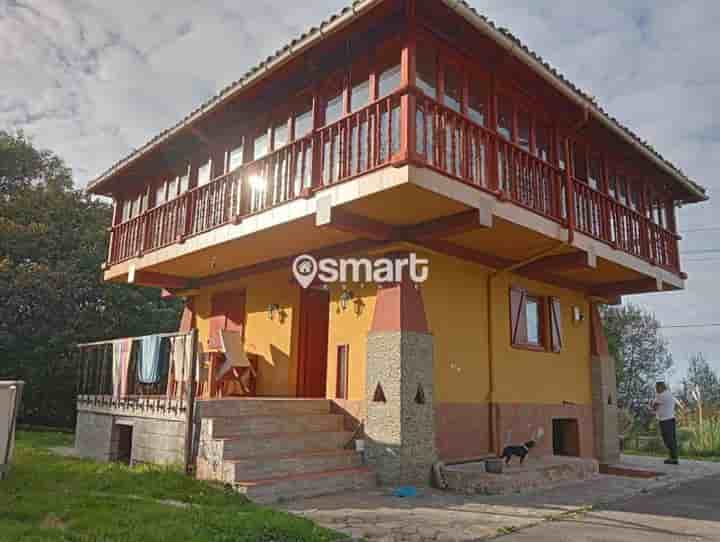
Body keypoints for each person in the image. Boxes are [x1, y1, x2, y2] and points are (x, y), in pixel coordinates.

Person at [652, 382, 679, 465]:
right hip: (671, 419)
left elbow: (654, 407)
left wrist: (653, 406)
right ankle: (673, 457)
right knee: (672, 439)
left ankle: (673, 458)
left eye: (656, 388)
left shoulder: (661, 395)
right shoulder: (669, 394)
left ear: (661, 387)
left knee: (668, 439)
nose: (656, 390)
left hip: (665, 420)